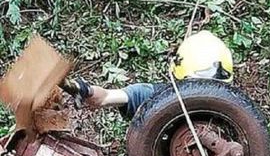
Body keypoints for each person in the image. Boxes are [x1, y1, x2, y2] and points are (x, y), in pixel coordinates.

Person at [62, 30, 233, 119]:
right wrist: (83, 89)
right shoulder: (158, 96)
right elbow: (106, 97)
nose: (203, 94)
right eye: (196, 87)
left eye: (211, 89)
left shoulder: (237, 112)